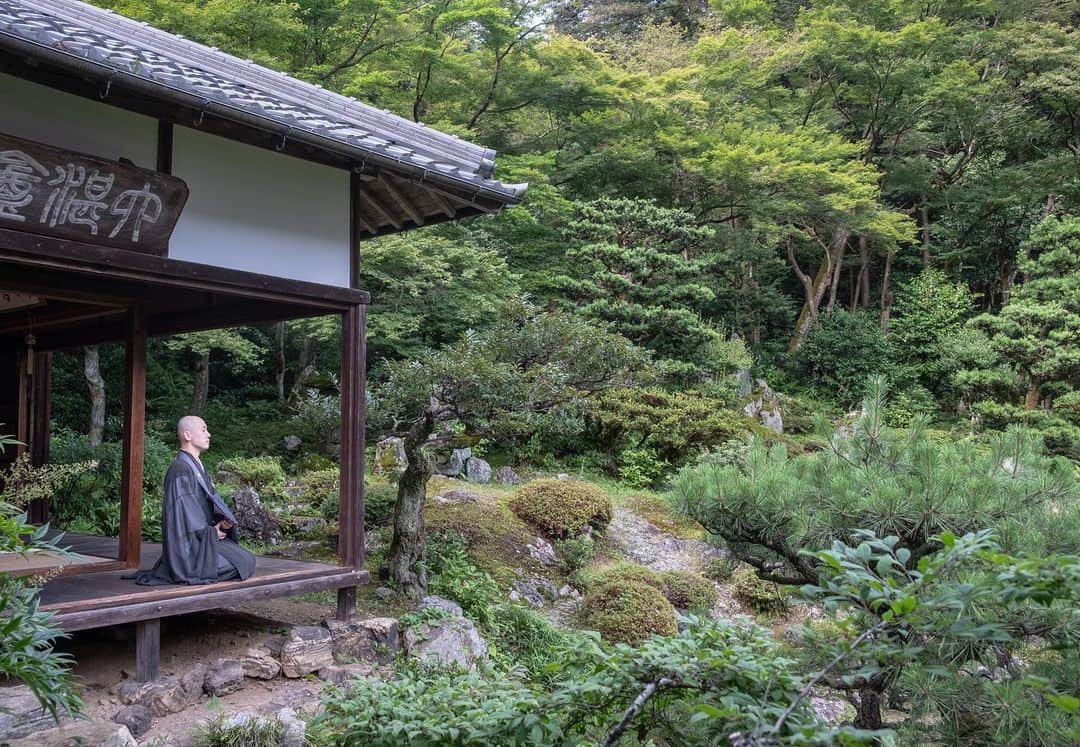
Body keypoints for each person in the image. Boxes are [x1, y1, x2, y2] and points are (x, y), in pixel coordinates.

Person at [135, 416, 255, 585]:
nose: (209, 434)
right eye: (204, 429)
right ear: (188, 435)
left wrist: (221, 522)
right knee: (241, 562)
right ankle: (190, 569)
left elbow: (209, 504)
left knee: (246, 558)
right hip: (189, 547)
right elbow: (185, 516)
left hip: (202, 538)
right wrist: (211, 532)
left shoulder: (198, 467)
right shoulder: (180, 469)